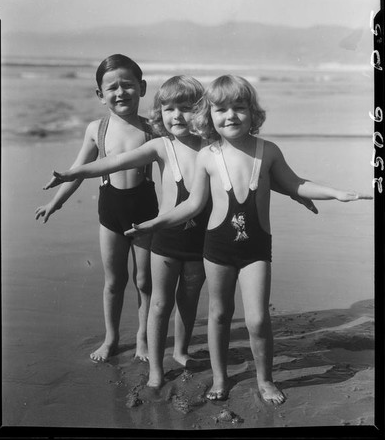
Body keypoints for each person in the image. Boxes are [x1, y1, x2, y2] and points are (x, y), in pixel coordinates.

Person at [43, 75, 318, 388]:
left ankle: (182, 352)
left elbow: (257, 175)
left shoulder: (214, 148)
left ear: (201, 112)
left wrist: (297, 193)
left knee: (189, 301)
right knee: (160, 305)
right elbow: (113, 162)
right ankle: (156, 370)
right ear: (160, 112)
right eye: (169, 108)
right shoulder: (161, 146)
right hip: (166, 239)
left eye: (186, 108)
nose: (177, 116)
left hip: (201, 240)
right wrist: (70, 173)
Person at [122, 75, 372, 405]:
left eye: (239, 108)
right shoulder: (207, 156)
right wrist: (154, 223)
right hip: (216, 250)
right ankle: (221, 378)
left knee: (256, 318)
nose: (230, 116)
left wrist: (336, 193)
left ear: (253, 112)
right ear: (208, 115)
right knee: (220, 315)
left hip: (256, 250)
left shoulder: (268, 151)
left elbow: (294, 183)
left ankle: (264, 379)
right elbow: (192, 205)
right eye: (221, 109)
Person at [35, 54, 159, 363]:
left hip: (148, 213)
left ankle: (143, 337)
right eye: (112, 87)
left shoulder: (154, 128)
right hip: (110, 214)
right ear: (100, 95)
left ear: (142, 88)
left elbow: (177, 169)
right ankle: (112, 338)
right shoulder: (96, 129)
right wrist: (56, 202)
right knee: (114, 281)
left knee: (145, 281)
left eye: (128, 85)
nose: (120, 93)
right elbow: (78, 170)